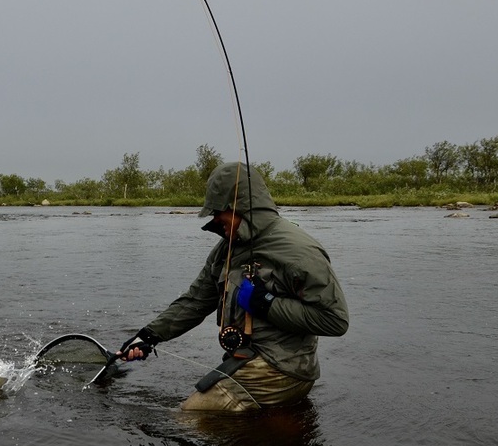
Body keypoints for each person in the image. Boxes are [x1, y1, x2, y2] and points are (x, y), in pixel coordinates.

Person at [117, 162, 349, 411]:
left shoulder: (299, 251)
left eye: (218, 212)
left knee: (191, 416)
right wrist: (149, 336)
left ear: (241, 207)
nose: (215, 219)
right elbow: (196, 301)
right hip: (245, 360)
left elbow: (334, 320)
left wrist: (267, 304)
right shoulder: (226, 249)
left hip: (284, 370)